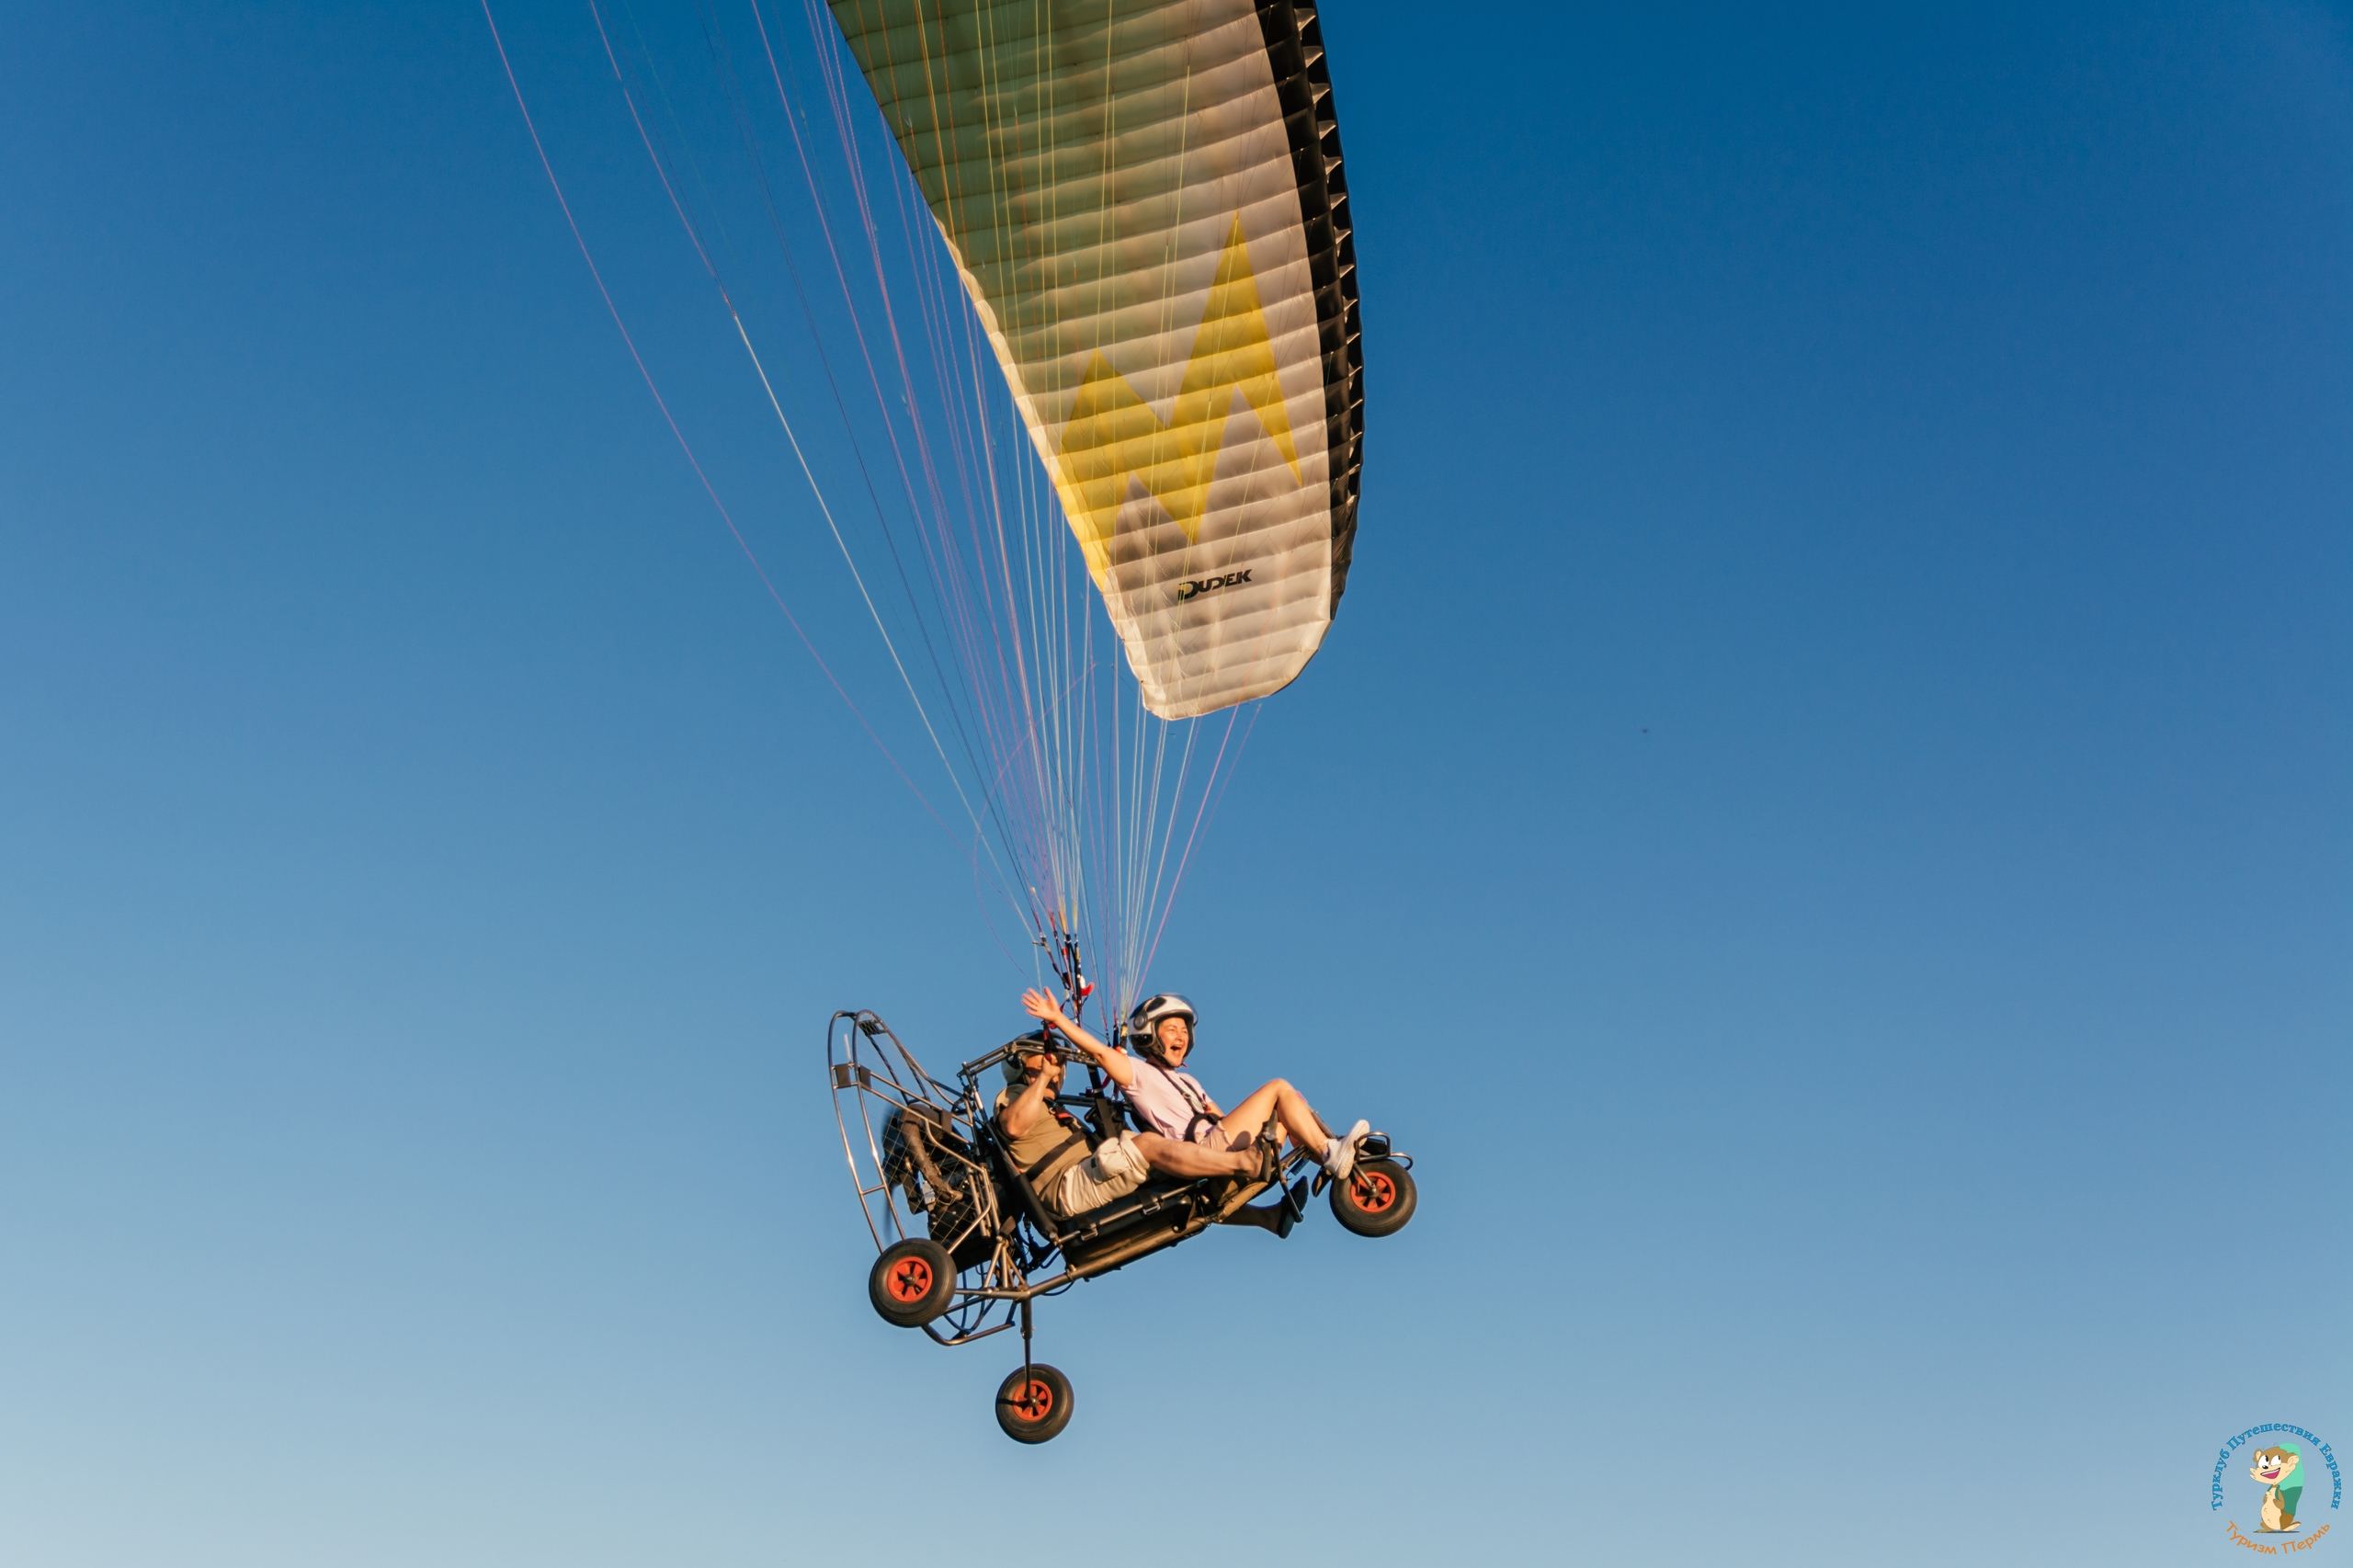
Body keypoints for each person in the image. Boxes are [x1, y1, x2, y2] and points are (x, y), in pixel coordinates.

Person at [1018, 988, 1371, 1207]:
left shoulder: (1188, 1080)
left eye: (1185, 1030)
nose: (1181, 1036)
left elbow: (1222, 1118)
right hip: (1202, 1147)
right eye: (1172, 1029)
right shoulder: (1137, 1074)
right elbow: (1099, 1052)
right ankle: (1330, 1152)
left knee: (1291, 1099)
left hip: (1220, 1137)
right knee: (1279, 1087)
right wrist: (1058, 1019)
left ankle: (1329, 1154)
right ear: (1150, 1035)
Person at [993, 1033, 1261, 1223]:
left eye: (1058, 1065)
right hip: (1066, 1187)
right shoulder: (1014, 1095)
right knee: (1148, 1144)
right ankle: (1241, 1162)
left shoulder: (1054, 1109)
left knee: (1180, 1167)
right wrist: (1042, 1080)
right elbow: (1013, 1126)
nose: (1055, 1070)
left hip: (1088, 1175)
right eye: (1044, 1062)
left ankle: (1267, 1218)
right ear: (1020, 1067)